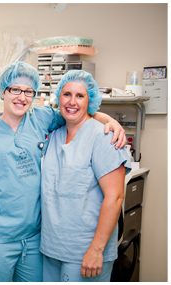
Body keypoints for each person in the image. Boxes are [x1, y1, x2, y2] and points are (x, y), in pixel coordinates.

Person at [0, 61, 126, 282]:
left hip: (34, 238)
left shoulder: (42, 119)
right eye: (15, 89)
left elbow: (78, 113)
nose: (22, 96)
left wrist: (111, 121)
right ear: (3, 91)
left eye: (28, 91)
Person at [39, 70, 131, 282]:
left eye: (80, 96)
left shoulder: (104, 136)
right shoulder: (54, 134)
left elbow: (115, 197)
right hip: (51, 248)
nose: (72, 101)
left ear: (90, 100)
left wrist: (97, 250)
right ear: (58, 98)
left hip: (86, 252)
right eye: (66, 94)